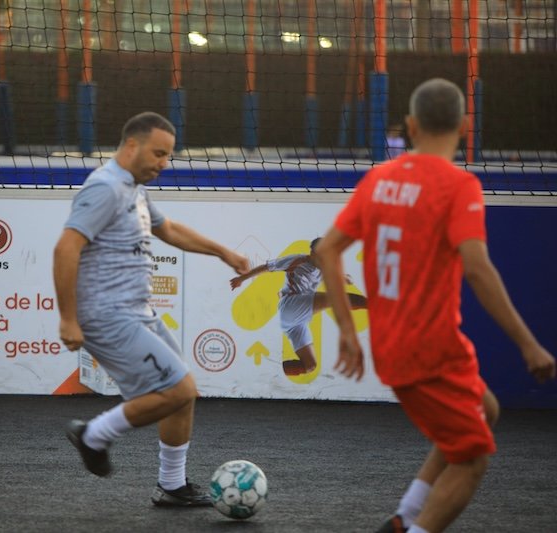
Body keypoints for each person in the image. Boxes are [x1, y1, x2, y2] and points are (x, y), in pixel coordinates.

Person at [315, 78, 556, 533]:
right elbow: (478, 269)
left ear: (410, 126)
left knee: (485, 409)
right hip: (431, 350)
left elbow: (327, 250)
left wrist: (347, 330)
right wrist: (528, 344)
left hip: (393, 345)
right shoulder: (458, 185)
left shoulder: (380, 178)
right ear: (465, 126)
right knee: (472, 458)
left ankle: (405, 517)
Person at [53, 111, 250, 507]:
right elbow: (65, 248)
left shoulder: (133, 189)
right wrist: (68, 318)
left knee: (182, 395)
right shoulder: (106, 188)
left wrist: (223, 252)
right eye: (159, 154)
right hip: (109, 315)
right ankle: (93, 435)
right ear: (131, 146)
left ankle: (171, 486)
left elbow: (169, 229)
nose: (164, 163)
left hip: (138, 312)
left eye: (168, 155)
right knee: (179, 389)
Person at [229, 238, 367, 376]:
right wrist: (242, 278)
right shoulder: (297, 260)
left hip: (296, 324)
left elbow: (346, 279)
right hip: (290, 306)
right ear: (312, 253)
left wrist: (344, 278)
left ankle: (270, 371)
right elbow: (266, 267)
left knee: (310, 365)